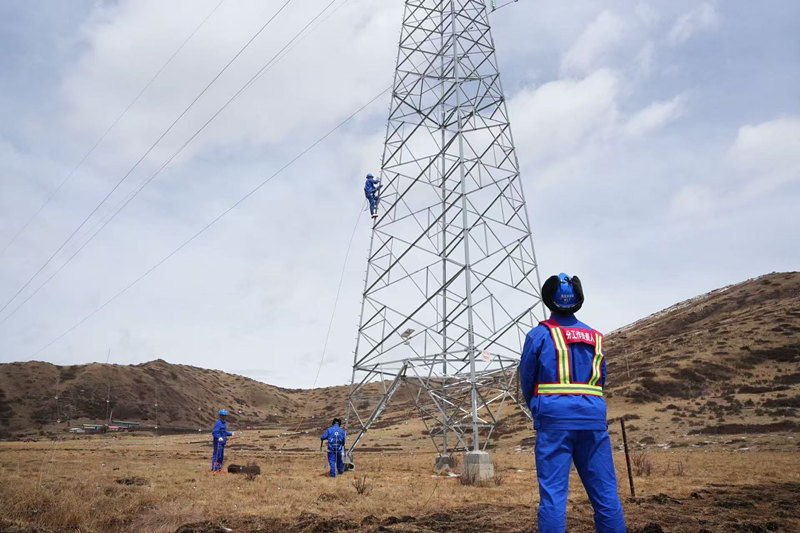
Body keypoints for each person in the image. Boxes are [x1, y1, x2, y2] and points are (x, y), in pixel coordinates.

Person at [520, 273, 626, 533]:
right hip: (592, 419)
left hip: (554, 421)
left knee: (553, 496)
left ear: (549, 300)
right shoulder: (596, 337)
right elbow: (601, 379)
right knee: (605, 493)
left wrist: (537, 406)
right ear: (578, 299)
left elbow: (526, 379)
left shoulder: (539, 336)